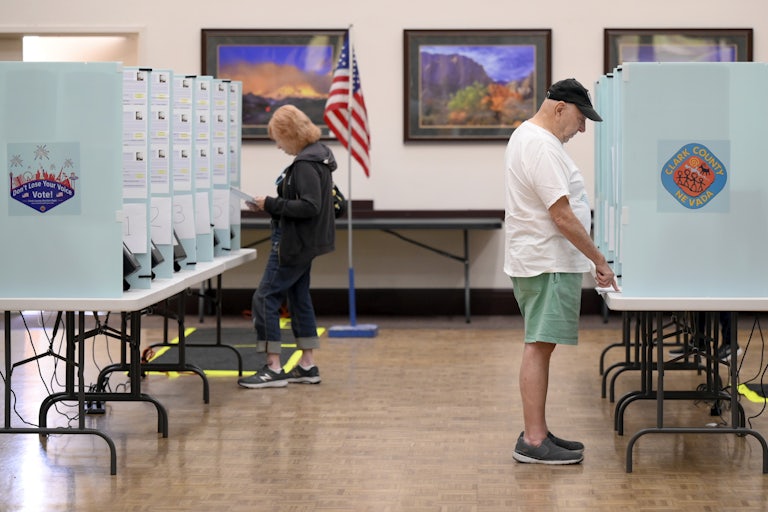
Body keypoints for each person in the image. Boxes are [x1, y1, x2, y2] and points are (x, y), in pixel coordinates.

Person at [504, 78, 618, 464]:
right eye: (581, 118)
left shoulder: (533, 139)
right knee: (538, 346)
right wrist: (599, 260)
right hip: (546, 261)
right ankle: (534, 441)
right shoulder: (539, 144)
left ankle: (538, 431)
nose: (582, 128)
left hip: (543, 260)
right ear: (559, 108)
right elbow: (562, 215)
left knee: (541, 345)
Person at [237, 105, 336, 389]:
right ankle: (307, 364)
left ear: (289, 134)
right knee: (297, 297)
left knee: (265, 297)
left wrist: (269, 203)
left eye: (278, 140)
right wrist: (270, 206)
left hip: (293, 242)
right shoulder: (320, 156)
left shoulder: (305, 164)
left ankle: (273, 367)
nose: (278, 146)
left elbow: (309, 206)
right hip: (307, 242)